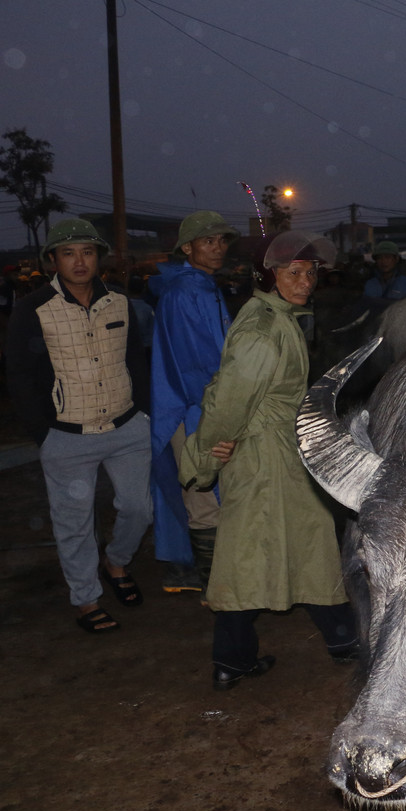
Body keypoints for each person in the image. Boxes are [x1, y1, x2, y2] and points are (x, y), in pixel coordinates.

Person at [181, 230, 357, 689]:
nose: (305, 282)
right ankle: (235, 659)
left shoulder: (279, 318)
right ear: (266, 275)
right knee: (251, 553)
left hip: (281, 451)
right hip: (263, 456)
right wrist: (204, 458)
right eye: (293, 273)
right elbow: (229, 402)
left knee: (303, 543)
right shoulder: (262, 330)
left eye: (310, 273)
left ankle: (339, 639)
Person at [7, 218, 152, 633]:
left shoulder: (120, 302)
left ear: (98, 257)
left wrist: (144, 413)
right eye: (68, 253)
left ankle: (116, 562)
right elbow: (19, 375)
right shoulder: (32, 309)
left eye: (87, 252)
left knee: (140, 508)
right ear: (53, 260)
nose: (79, 261)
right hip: (67, 435)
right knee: (74, 524)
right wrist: (44, 433)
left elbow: (135, 360)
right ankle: (87, 599)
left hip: (126, 427)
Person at [147, 210, 239, 596]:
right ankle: (216, 592)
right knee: (204, 499)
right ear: (187, 248)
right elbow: (197, 365)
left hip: (203, 405)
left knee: (210, 496)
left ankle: (209, 578)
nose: (218, 248)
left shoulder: (203, 285)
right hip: (192, 409)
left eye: (222, 241)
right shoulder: (185, 292)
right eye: (208, 241)